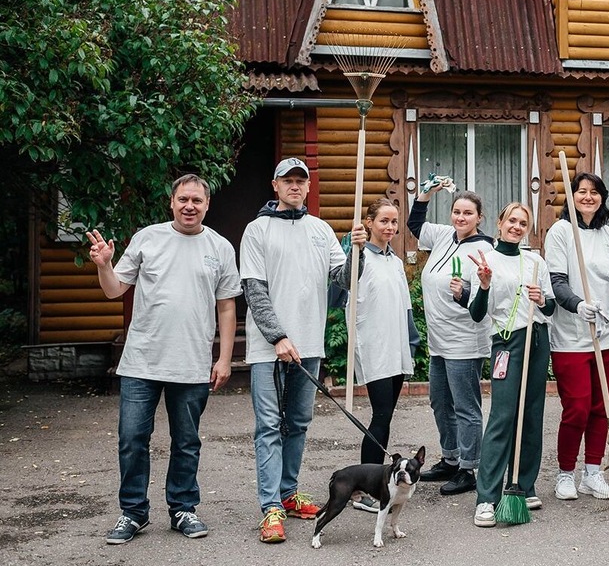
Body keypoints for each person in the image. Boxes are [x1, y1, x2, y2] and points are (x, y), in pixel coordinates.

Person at [89, 174, 241, 545]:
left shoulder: (219, 247)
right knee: (132, 438)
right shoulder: (147, 238)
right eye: (183, 199)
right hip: (142, 361)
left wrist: (224, 359)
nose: (190, 206)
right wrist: (103, 265)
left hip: (190, 363)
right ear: (171, 202)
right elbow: (113, 290)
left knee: (186, 441)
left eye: (197, 201)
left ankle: (183, 508)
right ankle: (133, 513)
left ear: (207, 205)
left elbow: (226, 307)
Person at [241, 157, 362, 543]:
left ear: (308, 187)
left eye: (301, 180)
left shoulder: (320, 230)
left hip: (309, 344)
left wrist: (358, 250)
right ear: (274, 185)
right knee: (268, 428)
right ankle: (270, 508)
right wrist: (276, 336)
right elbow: (254, 290)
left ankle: (288, 494)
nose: (295, 186)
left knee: (298, 424)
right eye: (287, 180)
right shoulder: (257, 230)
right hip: (268, 348)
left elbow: (342, 279)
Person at [467, 203, 555, 527]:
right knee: (503, 416)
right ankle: (487, 498)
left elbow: (552, 307)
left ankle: (523, 484)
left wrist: (542, 299)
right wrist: (485, 285)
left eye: (523, 222)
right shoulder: (485, 260)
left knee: (532, 414)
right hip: (507, 342)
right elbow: (477, 313)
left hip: (537, 339)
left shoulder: (535, 262)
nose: (517, 227)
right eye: (512, 221)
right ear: (500, 223)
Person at [407, 183, 492, 496]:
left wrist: (465, 293)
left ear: (479, 218)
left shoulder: (485, 250)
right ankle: (451, 459)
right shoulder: (443, 236)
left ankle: (469, 468)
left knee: (465, 406)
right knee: (440, 402)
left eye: (468, 213)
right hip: (439, 341)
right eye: (457, 211)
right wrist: (425, 194)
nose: (461, 217)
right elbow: (415, 225)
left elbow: (485, 299)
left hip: (465, 342)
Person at [545, 173, 609, 501]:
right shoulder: (561, 232)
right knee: (576, 407)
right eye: (581, 192)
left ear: (602, 197)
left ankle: (592, 473)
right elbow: (557, 282)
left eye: (594, 192)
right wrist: (578, 305)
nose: (588, 197)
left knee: (601, 407)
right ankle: (565, 474)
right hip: (572, 335)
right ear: (572, 197)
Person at [345, 198, 421, 512]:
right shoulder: (361, 257)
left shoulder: (394, 260)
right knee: (380, 416)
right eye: (383, 221)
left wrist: (412, 339)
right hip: (375, 345)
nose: (389, 227)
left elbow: (404, 305)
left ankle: (376, 481)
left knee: (386, 416)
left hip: (397, 344)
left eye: (394, 222)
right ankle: (364, 487)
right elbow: (339, 292)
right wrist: (352, 248)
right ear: (370, 222)